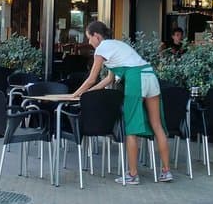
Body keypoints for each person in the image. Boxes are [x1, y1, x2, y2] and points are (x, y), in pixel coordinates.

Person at [72, 21, 172, 184]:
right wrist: (88, 93)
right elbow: (108, 79)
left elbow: (92, 78)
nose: (89, 42)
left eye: (89, 38)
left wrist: (75, 94)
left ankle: (132, 175)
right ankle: (166, 172)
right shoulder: (117, 45)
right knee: (157, 125)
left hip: (136, 79)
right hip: (149, 75)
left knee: (131, 128)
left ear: (97, 36)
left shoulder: (102, 48)